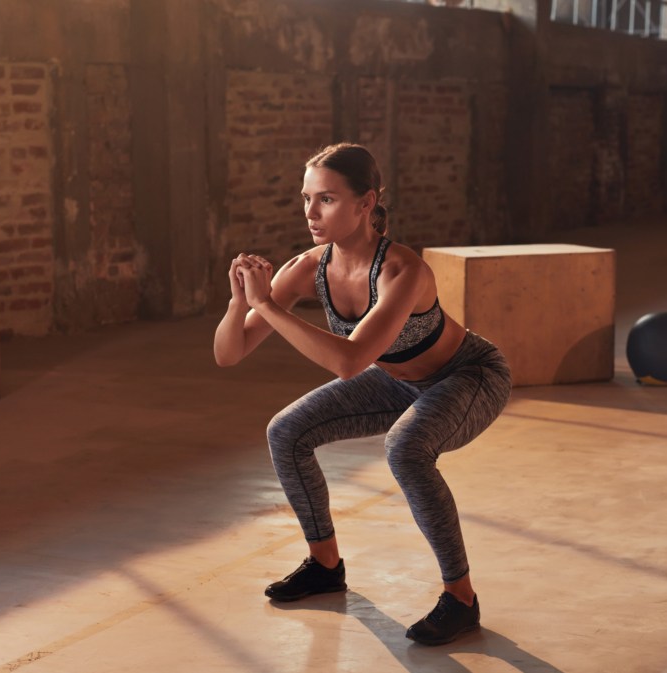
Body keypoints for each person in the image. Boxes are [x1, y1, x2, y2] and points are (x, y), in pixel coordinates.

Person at [213, 142, 512, 646]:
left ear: (366, 202)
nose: (311, 212)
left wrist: (269, 306)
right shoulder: (307, 267)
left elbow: (350, 361)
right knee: (287, 431)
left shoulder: (403, 270)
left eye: (326, 199)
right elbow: (229, 352)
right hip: (397, 379)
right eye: (306, 198)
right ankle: (324, 566)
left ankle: (461, 599)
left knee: (407, 449)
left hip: (468, 375)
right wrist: (242, 301)